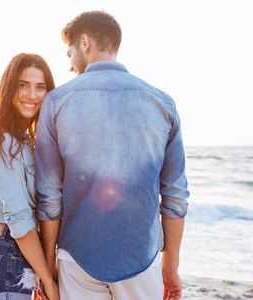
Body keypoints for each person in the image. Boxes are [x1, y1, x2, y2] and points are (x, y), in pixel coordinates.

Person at [35, 10, 189, 300]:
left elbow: (49, 196)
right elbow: (175, 195)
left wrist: (49, 261)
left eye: (69, 54)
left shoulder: (56, 103)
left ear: (84, 42)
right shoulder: (163, 103)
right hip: (143, 258)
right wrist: (170, 265)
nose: (69, 64)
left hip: (76, 259)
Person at [0, 53, 60, 300]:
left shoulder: (25, 141)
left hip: (16, 260)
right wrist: (49, 283)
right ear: (9, 88)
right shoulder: (2, 141)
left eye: (40, 87)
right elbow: (19, 221)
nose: (32, 95)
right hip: (7, 259)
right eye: (23, 85)